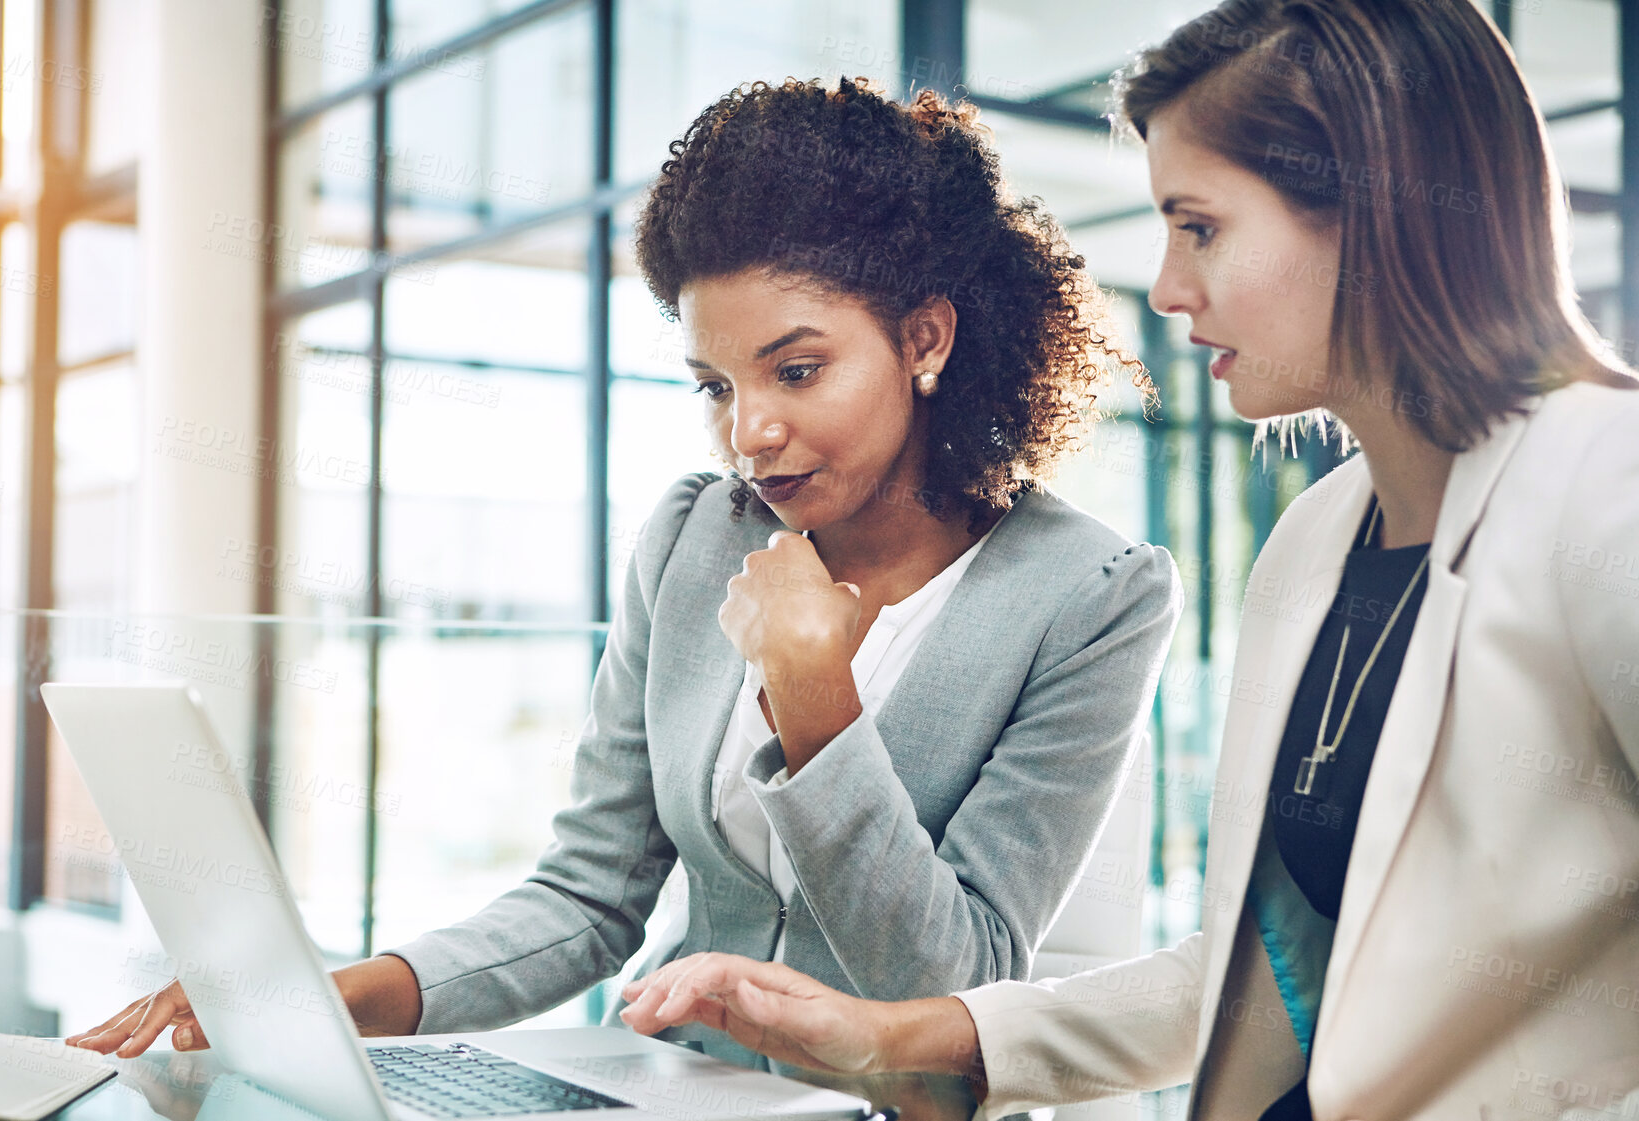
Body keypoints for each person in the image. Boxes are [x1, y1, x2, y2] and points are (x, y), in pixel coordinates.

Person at [617, 2, 1639, 1116]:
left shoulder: (1610, 488)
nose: (1164, 288)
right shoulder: (1310, 544)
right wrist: (879, 1035)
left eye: (1197, 227)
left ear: (1377, 213)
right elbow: (1255, 978)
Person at [65, 77, 1182, 1072]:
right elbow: (589, 895)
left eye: (796, 369)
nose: (749, 432)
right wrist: (345, 991)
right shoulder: (697, 538)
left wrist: (814, 698)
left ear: (925, 337)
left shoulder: (1092, 593)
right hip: (661, 1082)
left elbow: (954, 978)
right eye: (714, 384)